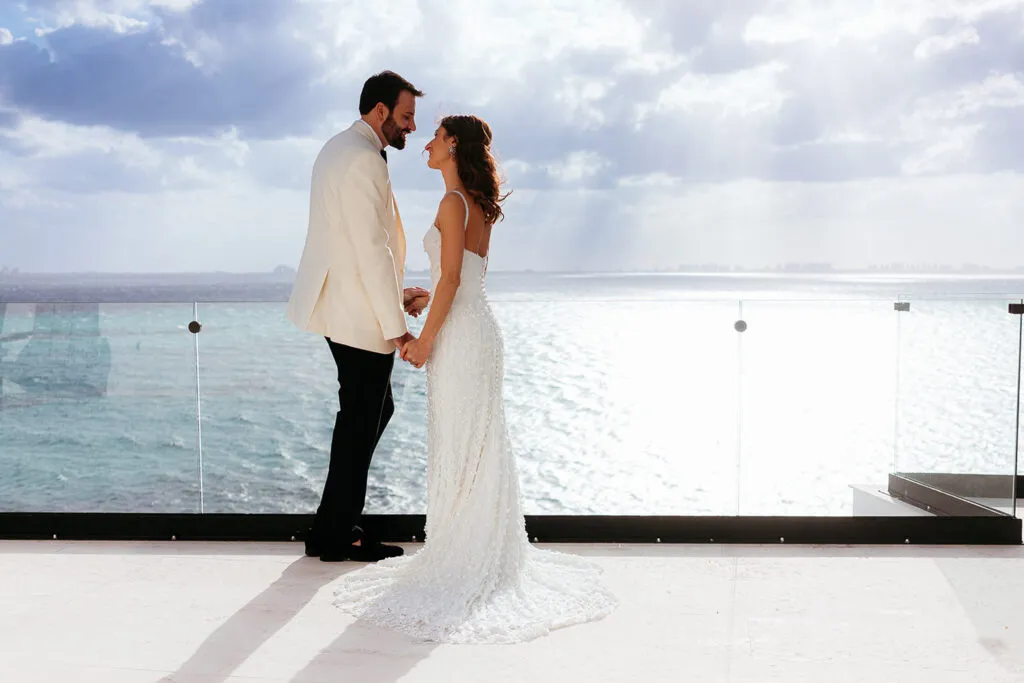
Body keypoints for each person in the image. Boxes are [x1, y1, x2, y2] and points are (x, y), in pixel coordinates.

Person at [331, 114, 616, 643]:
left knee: (463, 444)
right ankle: (482, 545)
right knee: (477, 444)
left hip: (460, 339)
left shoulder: (451, 204)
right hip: (478, 329)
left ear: (454, 144)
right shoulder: (477, 206)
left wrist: (424, 340)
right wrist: (422, 297)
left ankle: (466, 553)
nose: (427, 143)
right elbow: (459, 279)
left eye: (436, 137)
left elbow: (455, 278)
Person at [285, 70, 430, 563]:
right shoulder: (364, 159)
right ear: (381, 110)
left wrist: (394, 293)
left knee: (367, 413)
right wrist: (396, 326)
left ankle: (332, 525)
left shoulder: (337, 148)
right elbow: (372, 250)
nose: (411, 127)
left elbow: (354, 245)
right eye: (407, 116)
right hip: (357, 314)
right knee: (362, 417)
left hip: (342, 303)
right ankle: (336, 533)